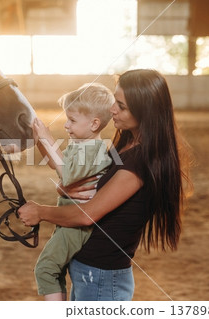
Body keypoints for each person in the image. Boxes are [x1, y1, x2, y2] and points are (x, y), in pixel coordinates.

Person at [19, 69, 192, 301]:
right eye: (115, 101)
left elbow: (86, 216)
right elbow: (93, 182)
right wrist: (65, 188)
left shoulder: (139, 162)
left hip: (101, 277)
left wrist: (40, 212)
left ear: (144, 112)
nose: (112, 110)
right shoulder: (125, 144)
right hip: (89, 270)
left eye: (121, 106)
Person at [32, 83, 115, 301]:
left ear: (94, 123)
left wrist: (47, 137)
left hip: (77, 225)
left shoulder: (93, 150)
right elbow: (56, 164)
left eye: (72, 120)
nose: (67, 125)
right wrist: (37, 138)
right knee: (53, 268)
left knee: (46, 268)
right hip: (68, 218)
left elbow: (66, 174)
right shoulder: (81, 144)